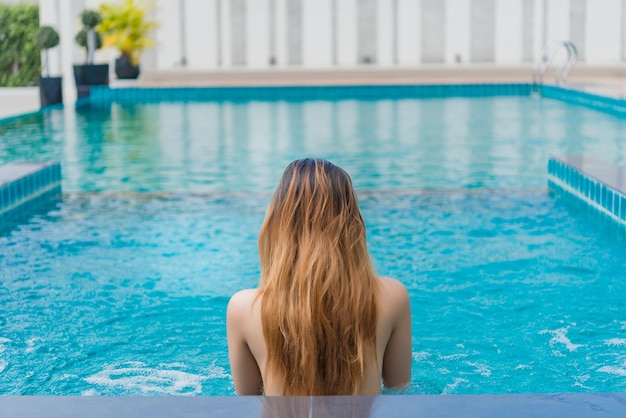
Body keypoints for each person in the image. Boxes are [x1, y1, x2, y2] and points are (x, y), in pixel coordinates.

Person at [227, 158, 412, 396]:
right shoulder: (392, 296)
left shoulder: (243, 308)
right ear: (352, 221)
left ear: (279, 221)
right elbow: (400, 394)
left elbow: (248, 404)